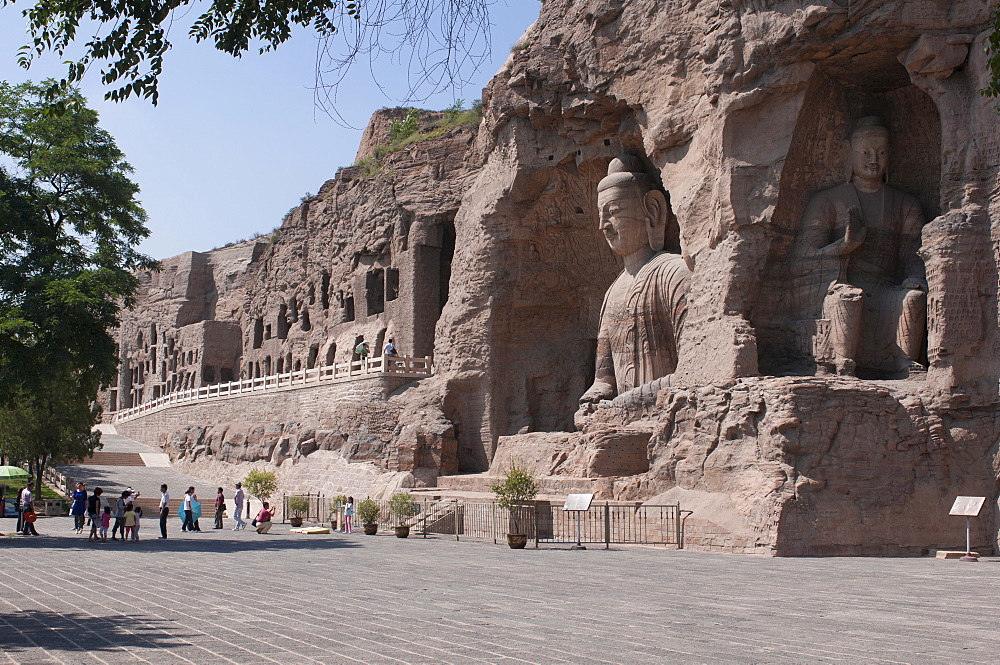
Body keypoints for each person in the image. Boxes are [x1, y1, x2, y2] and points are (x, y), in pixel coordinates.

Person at [792, 116, 926, 377]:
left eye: (882, 152)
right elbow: (803, 257)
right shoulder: (828, 200)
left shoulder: (905, 204)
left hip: (886, 286)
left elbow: (914, 255)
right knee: (847, 298)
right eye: (865, 152)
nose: (873, 159)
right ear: (847, 154)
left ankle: (903, 364)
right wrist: (844, 246)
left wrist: (914, 278)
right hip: (841, 283)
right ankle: (844, 363)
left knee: (913, 299)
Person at [579, 154, 691, 410]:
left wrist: (627, 402)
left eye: (614, 212)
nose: (602, 226)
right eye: (600, 214)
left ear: (652, 210)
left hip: (671, 412)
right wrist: (594, 398)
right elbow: (604, 380)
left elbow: (694, 369)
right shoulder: (613, 291)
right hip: (620, 412)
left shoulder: (675, 273)